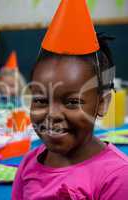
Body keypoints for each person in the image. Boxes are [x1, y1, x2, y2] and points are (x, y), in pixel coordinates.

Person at [12, 0, 128, 199]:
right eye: (40, 100)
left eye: (72, 102)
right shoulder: (30, 163)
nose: (53, 114)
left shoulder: (117, 176)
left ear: (102, 103)